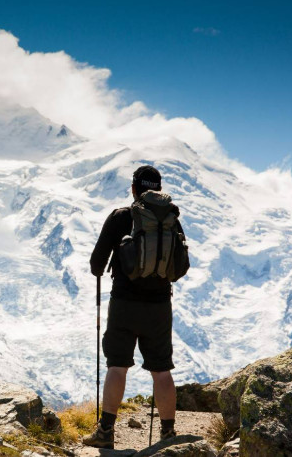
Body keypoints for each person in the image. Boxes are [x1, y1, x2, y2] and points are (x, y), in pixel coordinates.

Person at [83, 164, 182, 449]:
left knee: (117, 366)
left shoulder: (121, 217)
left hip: (124, 304)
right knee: (161, 370)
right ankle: (168, 435)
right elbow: (179, 264)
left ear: (133, 189)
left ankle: (105, 432)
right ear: (159, 190)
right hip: (159, 306)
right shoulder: (171, 219)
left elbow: (96, 264)